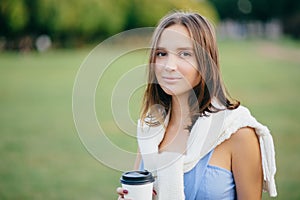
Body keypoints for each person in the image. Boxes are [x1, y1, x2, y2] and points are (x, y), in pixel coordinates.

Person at [117, 11, 277, 200]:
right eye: (161, 53)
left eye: (184, 54)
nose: (169, 65)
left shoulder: (238, 133)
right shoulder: (151, 127)